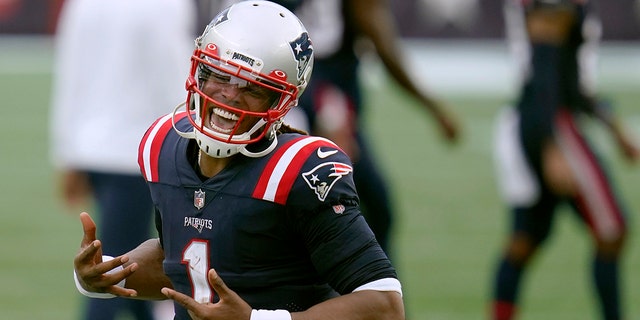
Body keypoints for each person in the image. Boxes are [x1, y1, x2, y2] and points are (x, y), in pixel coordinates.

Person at [71, 2, 405, 320]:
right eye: (220, 75)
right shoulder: (163, 146)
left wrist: (256, 318)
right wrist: (107, 275)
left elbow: (384, 304)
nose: (229, 94)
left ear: (282, 100)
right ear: (198, 71)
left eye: (253, 87)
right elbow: (184, 259)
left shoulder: (300, 171)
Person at [220, 0, 461, 255]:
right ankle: (373, 289)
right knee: (366, 207)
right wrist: (432, 106)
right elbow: (379, 36)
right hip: (317, 96)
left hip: (279, 95)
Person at [490, 0, 639, 319]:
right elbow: (544, 68)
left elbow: (573, 82)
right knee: (612, 228)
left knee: (526, 240)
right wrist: (551, 147)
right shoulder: (553, 10)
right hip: (550, 122)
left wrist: (614, 128)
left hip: (541, 118)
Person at [49, 0, 195, 319]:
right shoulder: (166, 5)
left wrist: (67, 151)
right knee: (112, 275)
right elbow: (174, 75)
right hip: (140, 152)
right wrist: (192, 139)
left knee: (126, 262)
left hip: (95, 149)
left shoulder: (84, 4)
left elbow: (71, 73)